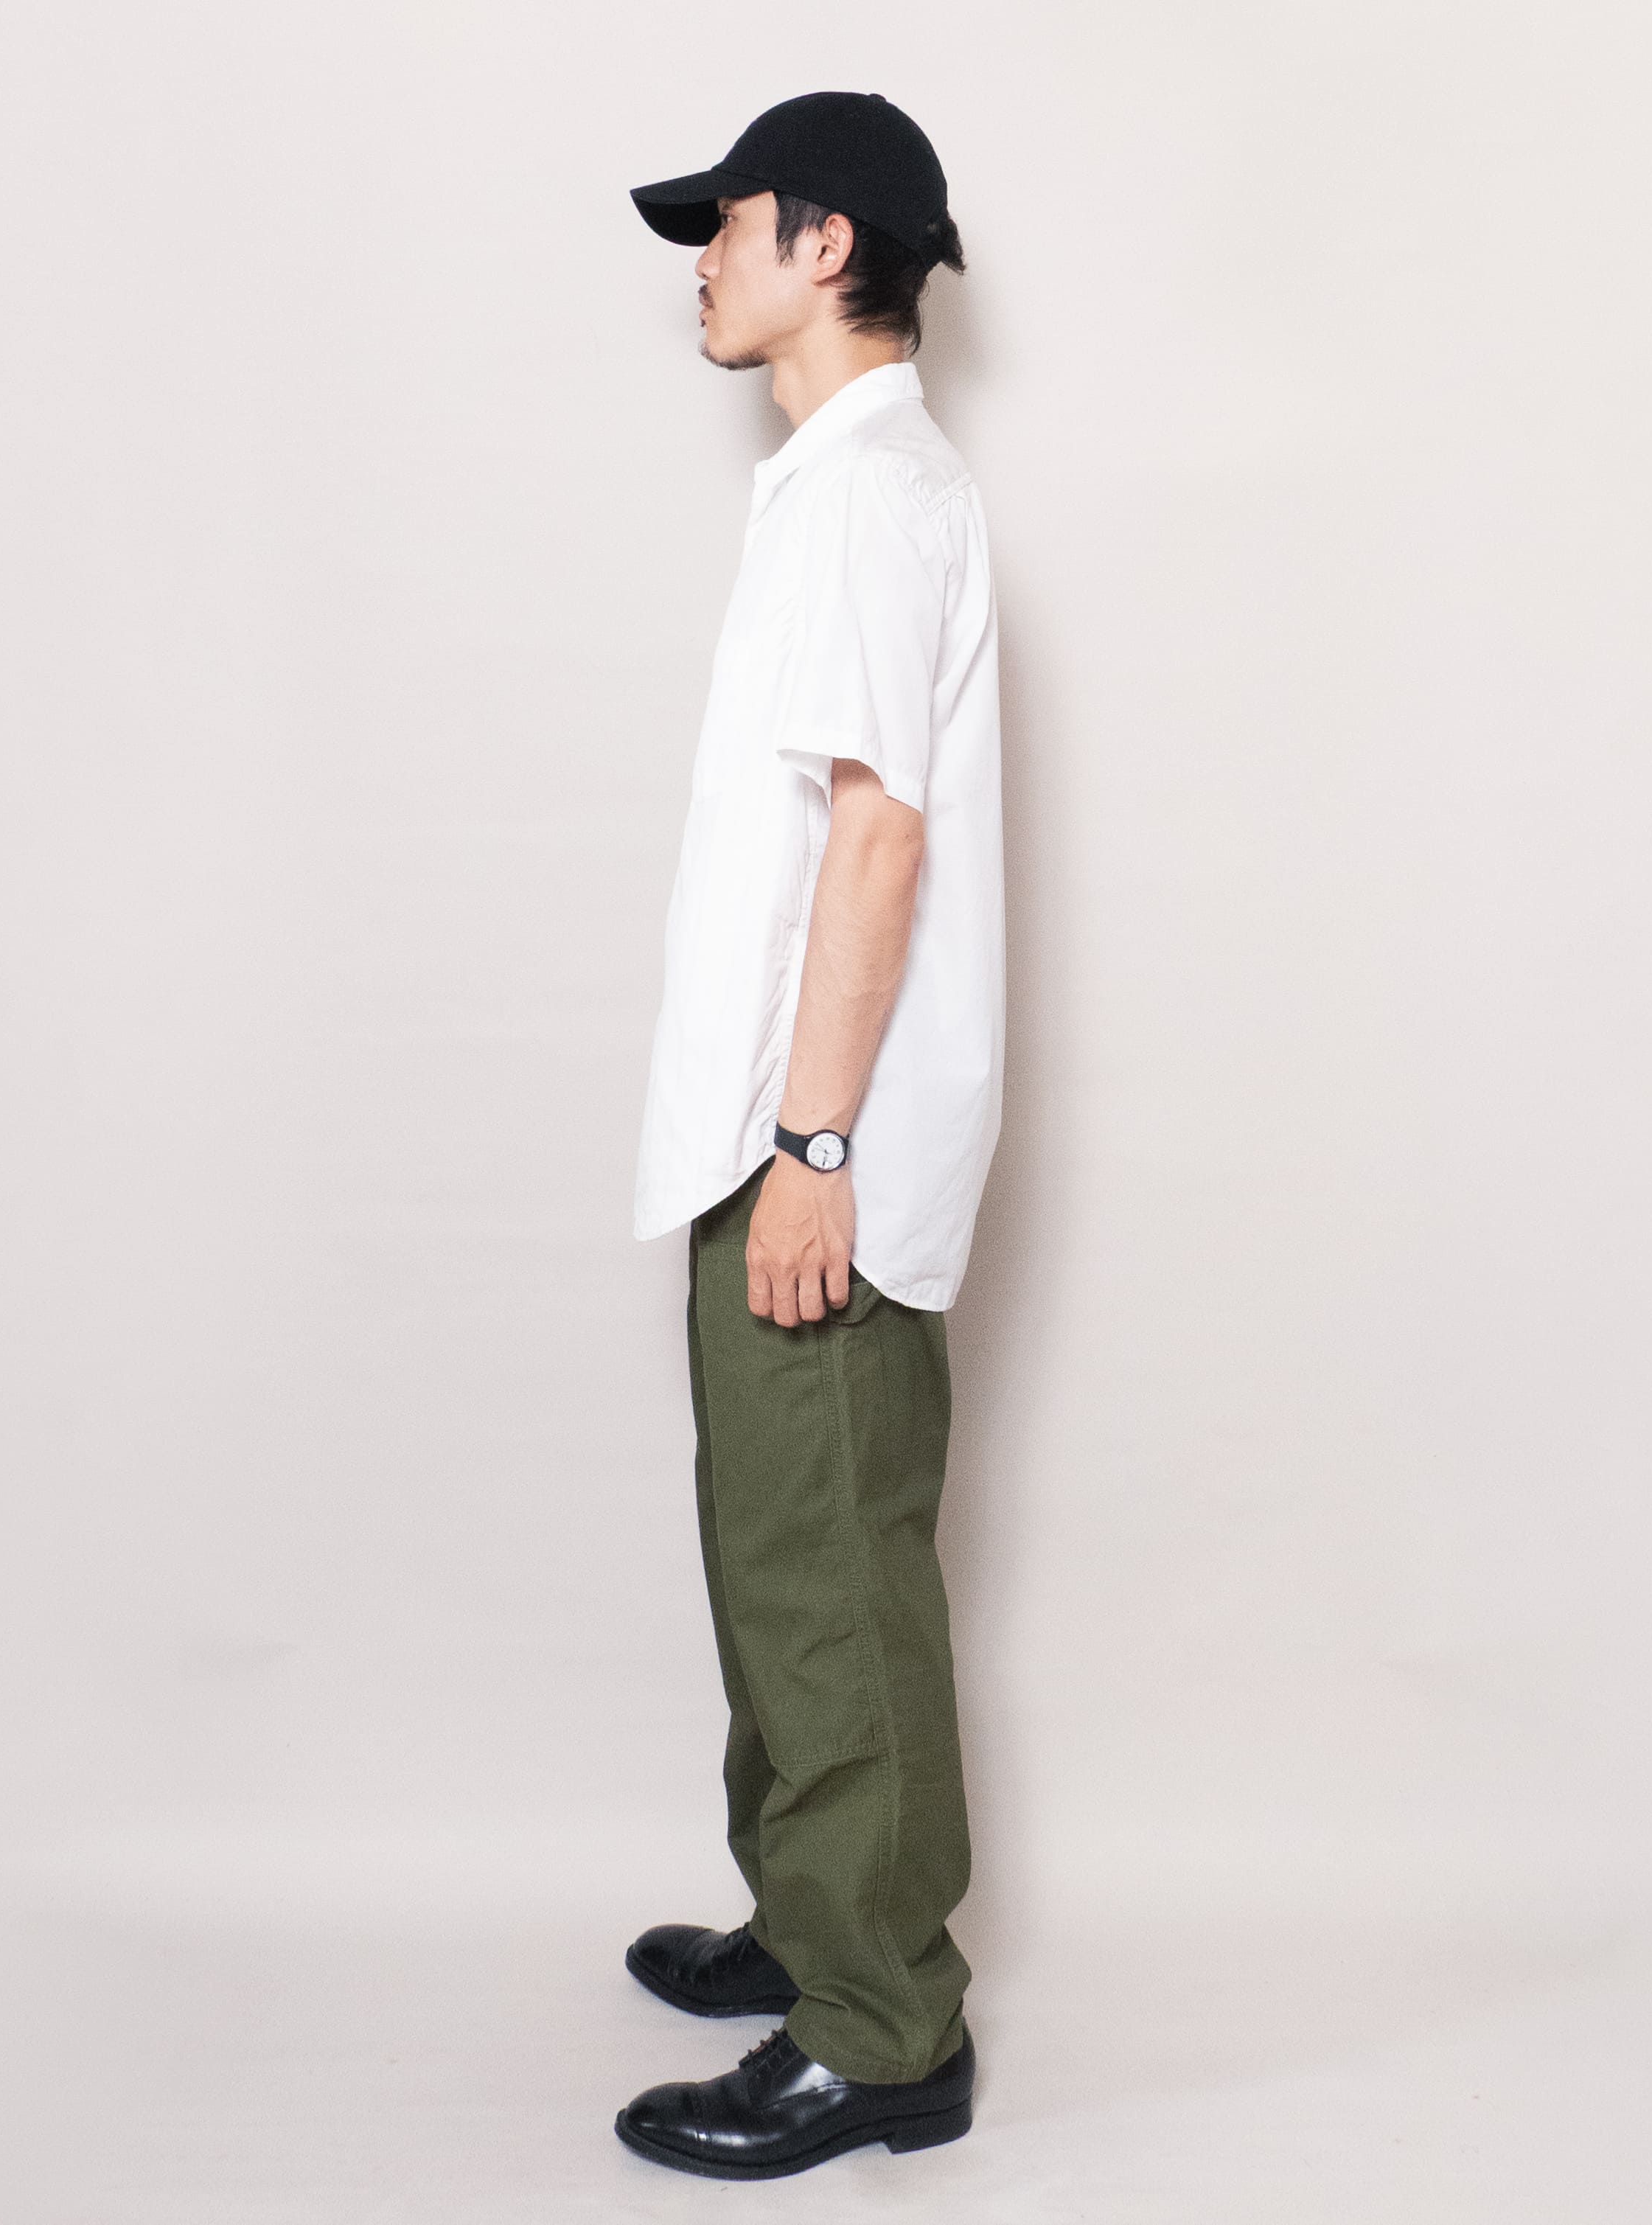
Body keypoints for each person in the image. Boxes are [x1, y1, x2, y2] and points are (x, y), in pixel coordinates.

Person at [616, 89, 1005, 2182]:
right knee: (779, 1554)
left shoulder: (867, 495)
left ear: (826, 241)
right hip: (770, 1132)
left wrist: (815, 1152)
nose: (704, 256)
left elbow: (879, 836)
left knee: (828, 1569)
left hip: (812, 1149)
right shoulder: (841, 485)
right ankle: (808, 1920)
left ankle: (880, 2030)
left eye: (730, 220)